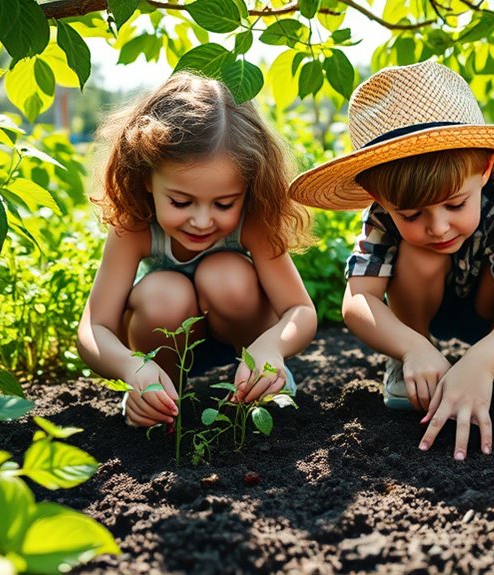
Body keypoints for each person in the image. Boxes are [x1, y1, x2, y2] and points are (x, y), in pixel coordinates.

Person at [289, 61, 494, 460]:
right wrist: (411, 347)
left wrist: (482, 362)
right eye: (412, 214)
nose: (438, 227)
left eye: (455, 204)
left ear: (485, 168)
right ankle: (412, 357)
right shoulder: (383, 219)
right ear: (380, 198)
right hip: (421, 313)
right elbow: (357, 300)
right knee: (418, 255)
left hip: (491, 310)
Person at [78, 72, 317, 428]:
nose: (202, 221)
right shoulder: (135, 227)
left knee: (225, 273)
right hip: (166, 344)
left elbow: (299, 310)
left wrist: (271, 348)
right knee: (164, 293)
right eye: (181, 201)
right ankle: (160, 397)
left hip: (245, 340)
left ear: (248, 187)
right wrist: (133, 367)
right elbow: (94, 328)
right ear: (147, 178)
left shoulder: (251, 222)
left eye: (223, 204)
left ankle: (261, 383)